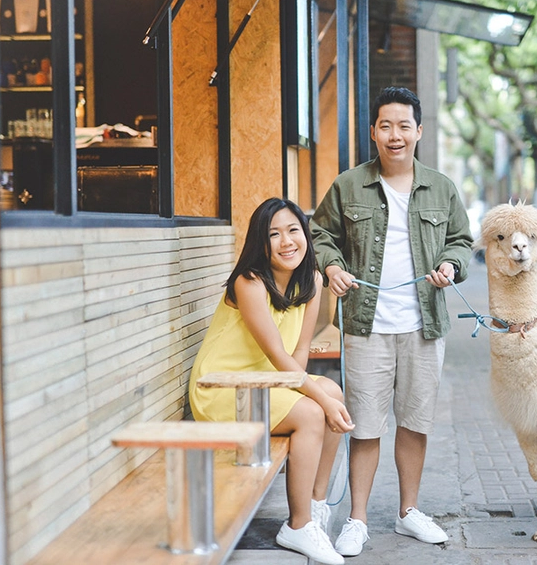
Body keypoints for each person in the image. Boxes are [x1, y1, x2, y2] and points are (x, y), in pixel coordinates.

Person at [310, 87, 473, 556]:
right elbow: (320, 234)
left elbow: (461, 241)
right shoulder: (348, 185)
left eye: (404, 126)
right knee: (363, 426)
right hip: (366, 325)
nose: (395, 135)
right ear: (373, 132)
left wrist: (451, 266)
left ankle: (408, 513)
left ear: (419, 132)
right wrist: (334, 267)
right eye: (386, 126)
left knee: (415, 422)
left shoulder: (441, 187)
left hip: (424, 325)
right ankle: (357, 519)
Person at [189, 197, 354, 565]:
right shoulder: (250, 283)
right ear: (260, 244)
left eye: (293, 230)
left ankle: (315, 504)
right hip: (222, 388)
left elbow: (298, 357)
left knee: (332, 390)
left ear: (306, 236)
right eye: (274, 234)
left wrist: (324, 397)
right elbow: (280, 358)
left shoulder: (311, 281)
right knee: (315, 412)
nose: (286, 241)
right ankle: (298, 525)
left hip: (266, 383)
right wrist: (320, 402)